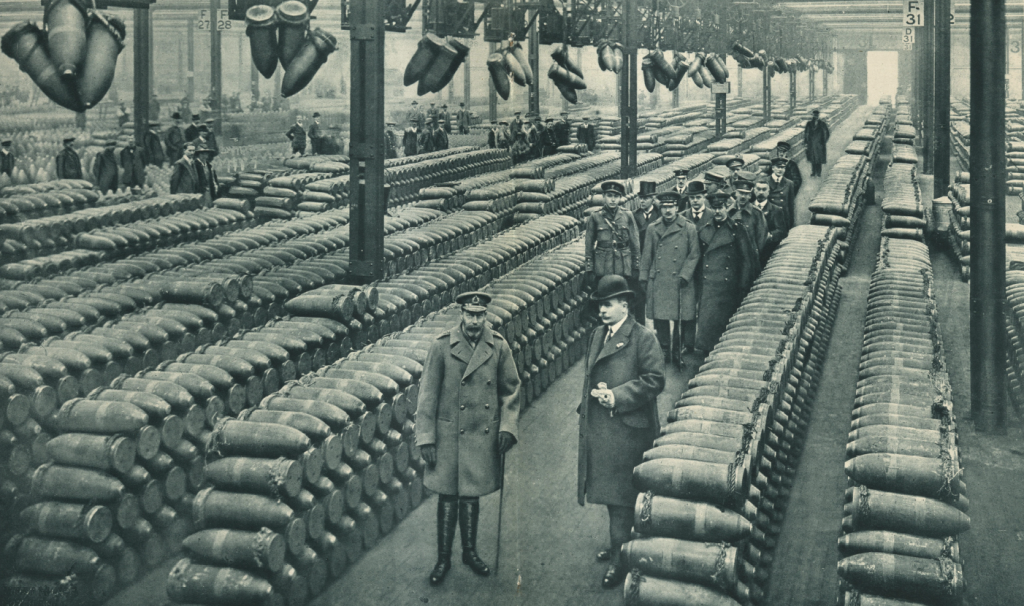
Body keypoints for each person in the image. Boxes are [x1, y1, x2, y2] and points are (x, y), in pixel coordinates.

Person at [415, 291, 521, 586]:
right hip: (449, 433)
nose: (474, 321)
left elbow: (511, 390)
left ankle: (470, 553)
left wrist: (508, 428)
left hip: (481, 433)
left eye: (479, 315)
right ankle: (444, 557)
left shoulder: (498, 346)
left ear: (486, 316)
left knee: (471, 493)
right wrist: (426, 437)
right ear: (460, 314)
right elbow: (427, 395)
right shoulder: (441, 346)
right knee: (448, 494)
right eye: (469, 314)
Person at [578, 275, 665, 589]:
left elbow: (655, 380)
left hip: (628, 431)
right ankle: (620, 543)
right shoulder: (598, 335)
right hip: (602, 428)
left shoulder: (643, 338)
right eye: (600, 304)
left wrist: (618, 396)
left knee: (621, 498)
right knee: (610, 495)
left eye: (608, 303)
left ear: (625, 305)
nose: (602, 309)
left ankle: (619, 559)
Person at [694, 187, 758, 357]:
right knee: (708, 326)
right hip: (709, 285)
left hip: (729, 286)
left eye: (721, 207)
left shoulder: (737, 229)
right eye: (715, 208)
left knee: (725, 328)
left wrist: (744, 284)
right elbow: (698, 260)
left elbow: (746, 259)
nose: (718, 211)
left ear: (727, 207)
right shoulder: (703, 230)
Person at [640, 191, 700, 365]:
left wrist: (685, 275)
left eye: (671, 207)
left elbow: (694, 254)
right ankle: (664, 350)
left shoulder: (688, 227)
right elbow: (647, 255)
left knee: (679, 317)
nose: (667, 211)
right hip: (659, 279)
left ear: (677, 207)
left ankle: (677, 351)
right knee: (661, 317)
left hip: (680, 280)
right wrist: (644, 277)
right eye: (664, 207)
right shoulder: (653, 228)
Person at [585, 181, 641, 291]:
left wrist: (636, 266)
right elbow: (589, 244)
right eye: (609, 196)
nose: (613, 199)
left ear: (620, 198)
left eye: (616, 196)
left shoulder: (627, 215)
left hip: (623, 265)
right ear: (603, 197)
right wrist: (589, 268)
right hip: (603, 266)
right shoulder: (595, 216)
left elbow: (635, 243)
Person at [632, 180, 660, 326]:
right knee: (639, 296)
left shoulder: (661, 215)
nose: (642, 201)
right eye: (641, 198)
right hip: (640, 261)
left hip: (657, 260)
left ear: (653, 199)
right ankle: (640, 325)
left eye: (646, 198)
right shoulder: (633, 216)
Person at [752, 177, 790, 265]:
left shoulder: (776, 210)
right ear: (754, 190)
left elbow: (782, 231)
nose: (761, 192)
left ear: (768, 192)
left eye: (764, 189)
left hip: (767, 251)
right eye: (758, 189)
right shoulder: (749, 208)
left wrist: (770, 235)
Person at [731, 171, 768, 258]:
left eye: (746, 194)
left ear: (750, 196)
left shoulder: (757, 213)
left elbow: (761, 238)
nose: (743, 196)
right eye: (740, 193)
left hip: (750, 258)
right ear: (735, 193)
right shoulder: (728, 212)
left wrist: (753, 254)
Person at [768, 157, 797, 228]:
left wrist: (791, 222)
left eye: (783, 167)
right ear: (773, 168)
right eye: (778, 167)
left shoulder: (789, 183)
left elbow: (791, 204)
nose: (780, 169)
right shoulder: (765, 181)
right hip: (769, 218)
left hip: (783, 218)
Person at [804, 109, 830, 177]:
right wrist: (806, 142)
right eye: (814, 115)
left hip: (819, 144)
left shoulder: (822, 123)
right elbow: (806, 133)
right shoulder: (809, 124)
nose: (815, 116)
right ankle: (813, 172)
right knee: (813, 159)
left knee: (819, 159)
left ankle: (819, 172)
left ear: (818, 115)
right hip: (811, 144)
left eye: (817, 115)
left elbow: (827, 133)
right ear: (813, 115)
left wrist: (824, 141)